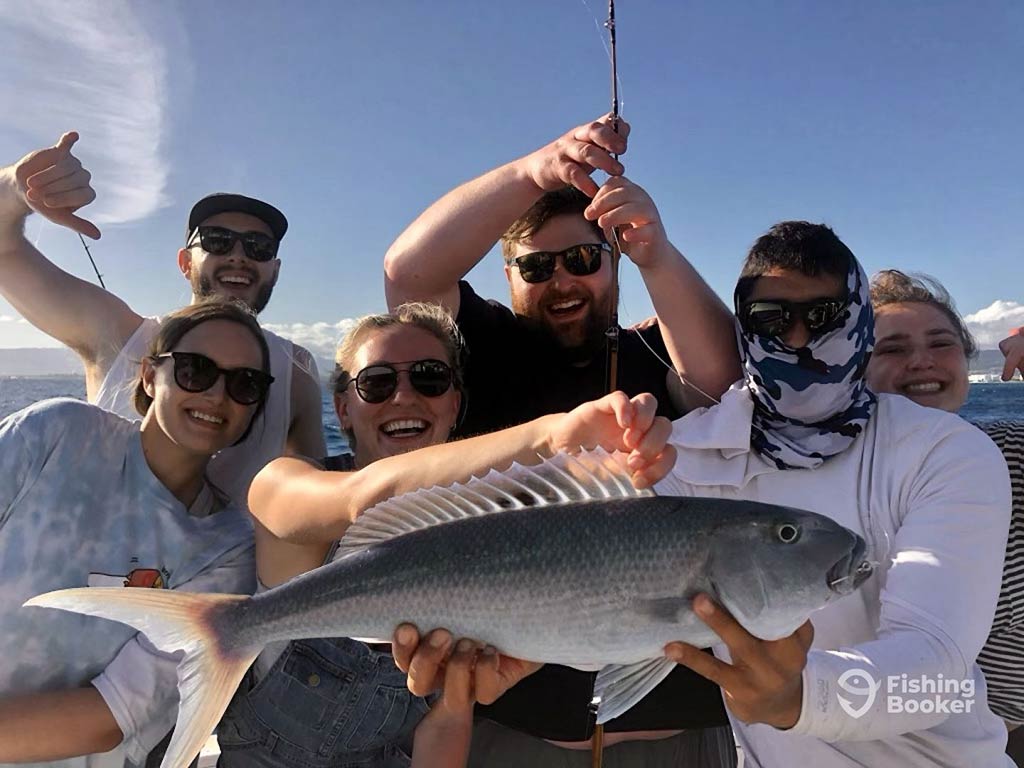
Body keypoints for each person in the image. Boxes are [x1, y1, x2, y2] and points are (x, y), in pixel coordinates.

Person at [404, 221, 1015, 766]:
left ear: (859, 324)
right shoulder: (680, 454)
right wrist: (509, 643)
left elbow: (939, 672)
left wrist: (802, 696)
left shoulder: (943, 451)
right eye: (773, 322)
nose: (799, 340)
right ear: (742, 329)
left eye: (825, 316)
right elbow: (574, 570)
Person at [384, 114, 742, 761]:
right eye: (537, 267)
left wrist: (653, 250)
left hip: (679, 731)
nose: (563, 282)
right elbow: (408, 275)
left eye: (584, 259)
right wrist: (534, 170)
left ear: (613, 261)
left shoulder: (657, 349)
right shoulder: (484, 349)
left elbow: (721, 379)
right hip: (517, 730)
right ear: (508, 277)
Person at [215, 302, 674, 767]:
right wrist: (551, 439)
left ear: (454, 403)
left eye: (430, 378)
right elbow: (362, 497)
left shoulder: (491, 539)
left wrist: (460, 690)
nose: (403, 396)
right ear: (343, 408)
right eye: (376, 383)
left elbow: (443, 725)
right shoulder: (283, 483)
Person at [0, 299, 269, 767]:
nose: (217, 395)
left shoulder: (228, 551)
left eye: (244, 383)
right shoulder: (57, 432)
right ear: (149, 375)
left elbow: (111, 715)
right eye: (194, 370)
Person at [0, 132, 325, 505]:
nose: (239, 255)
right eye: (218, 240)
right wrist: (16, 185)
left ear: (275, 270)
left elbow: (309, 495)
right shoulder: (119, 336)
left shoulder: (296, 369)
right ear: (185, 262)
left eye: (259, 247)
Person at [865, 269, 1024, 763]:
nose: (921, 361)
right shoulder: (834, 483)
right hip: (912, 742)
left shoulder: (1007, 450)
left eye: (942, 342)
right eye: (891, 349)